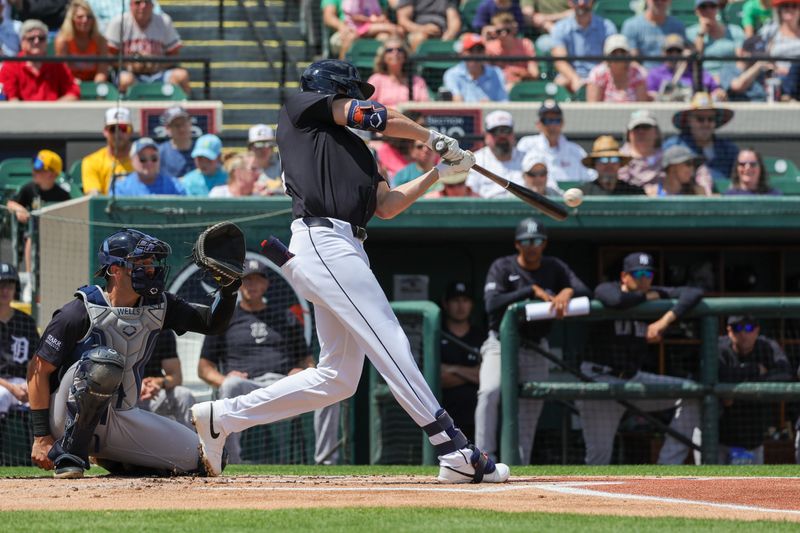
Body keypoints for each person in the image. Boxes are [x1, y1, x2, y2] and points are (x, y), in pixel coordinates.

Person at [189, 58, 510, 483]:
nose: (360, 98)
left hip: (349, 247)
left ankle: (223, 417)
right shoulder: (302, 107)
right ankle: (454, 451)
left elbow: (388, 206)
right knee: (390, 339)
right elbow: (376, 115)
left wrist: (439, 172)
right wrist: (432, 137)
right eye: (354, 91)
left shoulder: (358, 151)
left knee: (338, 378)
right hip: (323, 239)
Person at [27, 228, 240, 478]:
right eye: (140, 262)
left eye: (151, 262)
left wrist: (229, 289)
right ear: (114, 270)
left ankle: (115, 459)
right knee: (104, 362)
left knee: (209, 459)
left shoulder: (160, 305)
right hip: (65, 417)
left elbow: (212, 323)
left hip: (123, 416)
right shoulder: (79, 310)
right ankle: (71, 452)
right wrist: (42, 436)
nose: (150, 268)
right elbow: (37, 371)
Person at [198, 258, 340, 465]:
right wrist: (224, 380)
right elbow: (204, 368)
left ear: (266, 285)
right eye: (246, 280)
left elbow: (308, 361)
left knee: (330, 391)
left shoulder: (285, 317)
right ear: (238, 284)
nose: (252, 285)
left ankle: (327, 462)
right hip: (246, 389)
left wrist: (303, 371)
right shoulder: (225, 318)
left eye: (257, 280)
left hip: (283, 386)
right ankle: (231, 462)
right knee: (231, 384)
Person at [477, 217, 591, 463]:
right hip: (501, 343)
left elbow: (585, 292)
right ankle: (484, 457)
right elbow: (491, 303)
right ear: (517, 244)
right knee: (489, 392)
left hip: (536, 346)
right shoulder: (503, 266)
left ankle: (519, 463)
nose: (532, 246)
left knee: (530, 405)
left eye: (537, 240)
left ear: (544, 243)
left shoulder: (555, 267)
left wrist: (567, 291)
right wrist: (530, 291)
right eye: (526, 241)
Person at [578, 252, 703, 465]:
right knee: (598, 459)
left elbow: (695, 292)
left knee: (691, 393)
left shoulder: (655, 293)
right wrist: (646, 297)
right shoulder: (607, 288)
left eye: (648, 273)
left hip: (633, 379)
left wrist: (663, 322)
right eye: (638, 273)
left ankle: (667, 466)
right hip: (600, 381)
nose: (644, 278)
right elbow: (614, 300)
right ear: (624, 276)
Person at [717, 314, 793, 464]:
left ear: (757, 330)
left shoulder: (767, 346)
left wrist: (738, 390)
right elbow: (716, 374)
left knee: (751, 484)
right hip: (718, 437)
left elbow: (786, 375)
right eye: (737, 328)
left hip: (753, 437)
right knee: (712, 484)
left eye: (749, 328)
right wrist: (755, 369)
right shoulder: (719, 346)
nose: (743, 334)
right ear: (729, 331)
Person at [6, 150, 71, 276]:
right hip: (32, 232)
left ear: (52, 174)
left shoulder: (62, 195)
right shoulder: (29, 189)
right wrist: (19, 209)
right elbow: (10, 203)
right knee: (31, 238)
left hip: (56, 234)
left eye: (39, 168)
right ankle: (31, 276)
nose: (34, 171)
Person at [105, 0, 190, 96]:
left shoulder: (164, 20)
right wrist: (130, 65)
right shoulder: (119, 22)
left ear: (153, 5)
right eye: (138, 3)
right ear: (131, 5)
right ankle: (127, 108)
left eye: (147, 2)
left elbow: (174, 54)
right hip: (130, 73)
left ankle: (183, 108)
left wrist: (156, 64)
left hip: (159, 73)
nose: (143, 6)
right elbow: (109, 56)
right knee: (125, 79)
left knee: (181, 75)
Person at [438, 282, 483, 443]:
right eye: (456, 300)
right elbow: (437, 378)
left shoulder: (481, 337)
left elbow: (485, 376)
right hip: (444, 417)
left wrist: (453, 369)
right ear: (446, 303)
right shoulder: (436, 335)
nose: (460, 306)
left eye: (465, 300)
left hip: (477, 417)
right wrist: (472, 373)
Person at [663, 91, 739, 181]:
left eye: (710, 119)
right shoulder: (673, 146)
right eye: (700, 119)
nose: (706, 123)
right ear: (689, 121)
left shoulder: (729, 149)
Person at [0, 19, 80, 101]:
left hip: (53, 112)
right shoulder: (10, 66)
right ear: (22, 41)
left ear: (46, 42)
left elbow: (73, 91)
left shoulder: (57, 65)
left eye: (41, 38)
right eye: (31, 38)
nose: (36, 41)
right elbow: (10, 98)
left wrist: (55, 108)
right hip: (20, 113)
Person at [516, 99, 595, 183]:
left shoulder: (576, 150)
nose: (552, 125)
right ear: (538, 124)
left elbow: (590, 177)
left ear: (562, 123)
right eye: (547, 121)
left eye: (556, 120)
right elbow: (516, 174)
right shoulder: (526, 145)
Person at [550, 0, 617, 94]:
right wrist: (575, 79)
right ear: (570, 2)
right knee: (560, 82)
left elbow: (611, 58)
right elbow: (560, 61)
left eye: (586, 0)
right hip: (572, 76)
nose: (581, 3)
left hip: (601, 75)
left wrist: (595, 79)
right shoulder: (560, 27)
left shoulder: (607, 26)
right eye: (576, 0)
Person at [0, 263, 39, 417]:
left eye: (9, 285)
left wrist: (30, 385)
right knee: (1, 397)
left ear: (15, 288)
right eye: (1, 285)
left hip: (24, 382)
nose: (5, 290)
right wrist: (11, 388)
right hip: (2, 383)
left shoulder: (26, 322)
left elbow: (36, 360)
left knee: (46, 400)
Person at [138, 330, 196, 429]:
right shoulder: (115, 328)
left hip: (154, 394)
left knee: (184, 395)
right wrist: (136, 385)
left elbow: (176, 376)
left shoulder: (162, 330)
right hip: (123, 394)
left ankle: (190, 442)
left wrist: (159, 382)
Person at [465, 110, 529, 198]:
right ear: (486, 135)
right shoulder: (475, 160)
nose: (502, 136)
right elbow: (469, 194)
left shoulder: (528, 159)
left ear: (513, 134)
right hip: (487, 209)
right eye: (496, 131)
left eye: (506, 131)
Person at [646, 34, 724, 101]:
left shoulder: (697, 71)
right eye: (670, 51)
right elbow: (651, 96)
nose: (674, 55)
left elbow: (715, 90)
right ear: (663, 54)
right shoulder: (655, 74)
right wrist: (681, 67)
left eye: (678, 51)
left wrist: (718, 93)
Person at [686, 0, 745, 81]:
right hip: (704, 80)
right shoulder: (690, 33)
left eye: (712, 6)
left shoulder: (735, 30)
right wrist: (702, 33)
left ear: (717, 9)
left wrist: (731, 79)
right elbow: (695, 59)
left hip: (731, 79)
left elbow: (741, 60)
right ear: (696, 11)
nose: (708, 10)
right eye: (703, 7)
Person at [82, 106, 135, 196]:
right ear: (105, 132)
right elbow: (94, 196)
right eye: (113, 129)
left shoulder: (144, 159)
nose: (118, 133)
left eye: (123, 128)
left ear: (131, 131)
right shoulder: (92, 161)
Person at [442, 33, 508, 103]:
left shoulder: (497, 72)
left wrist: (490, 105)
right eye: (471, 51)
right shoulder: (452, 74)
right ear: (462, 53)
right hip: (464, 113)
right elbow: (457, 102)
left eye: (479, 50)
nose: (476, 55)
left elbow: (504, 101)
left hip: (491, 112)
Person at [54, 0, 109, 83]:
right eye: (80, 17)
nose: (85, 20)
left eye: (89, 17)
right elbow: (63, 71)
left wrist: (94, 87)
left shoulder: (101, 41)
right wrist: (76, 84)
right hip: (70, 84)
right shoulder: (63, 41)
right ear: (72, 19)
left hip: (93, 84)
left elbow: (102, 71)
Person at [621, 0, 686, 69]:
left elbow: (684, 53)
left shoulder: (677, 26)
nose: (660, 2)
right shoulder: (632, 26)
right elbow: (632, 60)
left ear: (670, 1)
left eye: (664, 0)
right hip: (643, 76)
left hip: (671, 75)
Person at [482, 12, 539, 91]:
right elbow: (482, 72)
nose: (504, 34)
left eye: (507, 30)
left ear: (514, 29)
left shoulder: (526, 44)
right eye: (499, 31)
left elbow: (534, 74)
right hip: (498, 86)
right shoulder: (489, 47)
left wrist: (523, 74)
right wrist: (485, 34)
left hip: (521, 86)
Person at [366, 37, 430, 108]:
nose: (395, 53)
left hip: (411, 118)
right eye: (389, 50)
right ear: (383, 56)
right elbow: (367, 106)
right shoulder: (376, 79)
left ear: (405, 55)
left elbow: (425, 107)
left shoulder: (418, 81)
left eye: (399, 50)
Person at [111, 137, 186, 196]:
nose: (149, 163)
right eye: (143, 159)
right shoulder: (121, 188)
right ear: (131, 161)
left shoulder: (174, 186)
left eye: (154, 158)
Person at [586, 34, 650, 103]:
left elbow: (642, 106)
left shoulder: (639, 73)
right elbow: (593, 106)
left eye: (622, 52)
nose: (619, 56)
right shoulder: (598, 73)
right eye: (614, 53)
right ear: (607, 56)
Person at [579, 136, 645, 195]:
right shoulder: (583, 194)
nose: (609, 164)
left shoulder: (635, 192)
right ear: (594, 164)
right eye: (603, 159)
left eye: (614, 159)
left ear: (620, 164)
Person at [618, 110, 664, 188]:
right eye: (636, 128)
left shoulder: (668, 159)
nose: (641, 132)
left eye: (646, 127)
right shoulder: (618, 159)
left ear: (656, 132)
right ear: (628, 134)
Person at [395, 0, 461, 51]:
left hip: (442, 32)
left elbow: (454, 20)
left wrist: (448, 36)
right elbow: (403, 20)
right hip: (417, 31)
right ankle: (418, 66)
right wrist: (423, 29)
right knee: (418, 38)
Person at [158, 106, 196, 180]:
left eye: (183, 123)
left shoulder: (201, 150)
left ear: (190, 124)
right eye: (176, 125)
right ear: (167, 129)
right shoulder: (160, 153)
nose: (181, 129)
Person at [247, 124, 282, 194]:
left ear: (272, 147)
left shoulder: (282, 167)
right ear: (250, 148)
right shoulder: (244, 168)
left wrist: (274, 190)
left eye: (267, 144)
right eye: (258, 144)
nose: (262, 149)